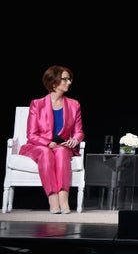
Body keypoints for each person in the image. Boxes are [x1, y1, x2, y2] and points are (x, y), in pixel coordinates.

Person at [20, 65, 84, 214]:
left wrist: (75, 139)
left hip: (62, 146)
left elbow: (79, 131)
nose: (69, 82)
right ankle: (53, 198)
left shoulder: (74, 105)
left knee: (61, 152)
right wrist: (48, 143)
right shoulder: (37, 104)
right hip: (38, 146)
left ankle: (64, 199)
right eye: (65, 79)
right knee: (45, 152)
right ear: (53, 82)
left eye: (70, 79)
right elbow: (31, 134)